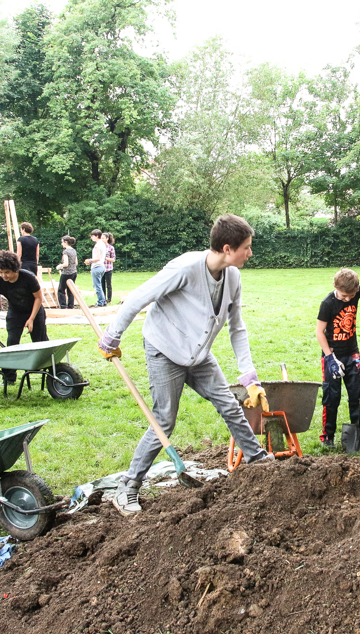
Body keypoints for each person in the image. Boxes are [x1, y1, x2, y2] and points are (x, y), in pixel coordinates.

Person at [97, 214, 272, 517]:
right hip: (165, 349)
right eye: (246, 247)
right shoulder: (186, 267)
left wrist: (249, 378)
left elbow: (237, 327)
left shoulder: (232, 276)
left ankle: (257, 460)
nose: (250, 252)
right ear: (228, 249)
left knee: (229, 405)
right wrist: (111, 337)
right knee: (163, 420)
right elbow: (138, 298)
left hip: (199, 354)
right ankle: (127, 487)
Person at [315, 254, 360, 449]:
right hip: (332, 356)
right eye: (344, 296)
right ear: (335, 287)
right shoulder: (328, 303)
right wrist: (329, 358)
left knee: (356, 395)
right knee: (331, 398)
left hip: (352, 354)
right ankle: (328, 436)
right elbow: (319, 331)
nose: (348, 299)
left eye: (351, 296)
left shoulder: (355, 292)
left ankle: (357, 433)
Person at [0, 250, 48, 384]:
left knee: (41, 342)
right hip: (15, 313)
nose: (4, 275)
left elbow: (38, 298)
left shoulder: (28, 277)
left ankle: (52, 372)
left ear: (15, 269)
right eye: (1, 272)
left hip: (35, 310)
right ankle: (9, 377)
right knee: (11, 343)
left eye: (7, 272)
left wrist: (31, 319)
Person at [84, 229, 107, 307]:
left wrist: (89, 260)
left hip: (97, 267)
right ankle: (103, 301)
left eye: (92, 236)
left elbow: (97, 258)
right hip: (102, 266)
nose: (91, 237)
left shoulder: (97, 245)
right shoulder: (103, 244)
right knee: (99, 285)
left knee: (97, 286)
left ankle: (100, 302)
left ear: (97, 236)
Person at [55, 236, 78, 309]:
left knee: (61, 290)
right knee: (70, 289)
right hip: (74, 272)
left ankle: (63, 306)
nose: (61, 244)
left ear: (66, 242)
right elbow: (76, 263)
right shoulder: (74, 250)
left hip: (66, 273)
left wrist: (60, 266)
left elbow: (66, 264)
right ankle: (71, 306)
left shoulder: (65, 252)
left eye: (62, 242)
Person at [102, 232, 116, 304]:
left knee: (108, 284)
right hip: (101, 269)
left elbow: (113, 259)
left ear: (107, 238)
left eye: (103, 238)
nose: (102, 240)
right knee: (102, 284)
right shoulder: (99, 247)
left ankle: (109, 299)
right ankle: (103, 298)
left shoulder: (111, 248)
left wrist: (106, 258)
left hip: (108, 268)